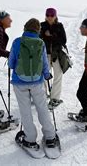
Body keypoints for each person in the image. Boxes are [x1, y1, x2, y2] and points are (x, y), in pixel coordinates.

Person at [9, 18, 58, 150]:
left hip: (19, 82)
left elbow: (11, 63)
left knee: (25, 111)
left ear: (25, 28)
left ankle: (30, 139)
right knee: (42, 108)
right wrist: (47, 75)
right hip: (37, 82)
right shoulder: (41, 43)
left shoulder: (17, 42)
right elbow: (44, 63)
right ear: (38, 30)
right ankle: (50, 137)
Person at [39, 8, 67, 109]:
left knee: (58, 75)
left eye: (52, 15)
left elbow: (63, 40)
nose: (49, 17)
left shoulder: (59, 26)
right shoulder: (41, 25)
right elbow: (38, 39)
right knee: (42, 76)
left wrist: (51, 36)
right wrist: (45, 36)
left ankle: (54, 98)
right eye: (48, 15)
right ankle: (42, 95)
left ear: (55, 16)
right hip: (44, 54)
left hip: (56, 55)